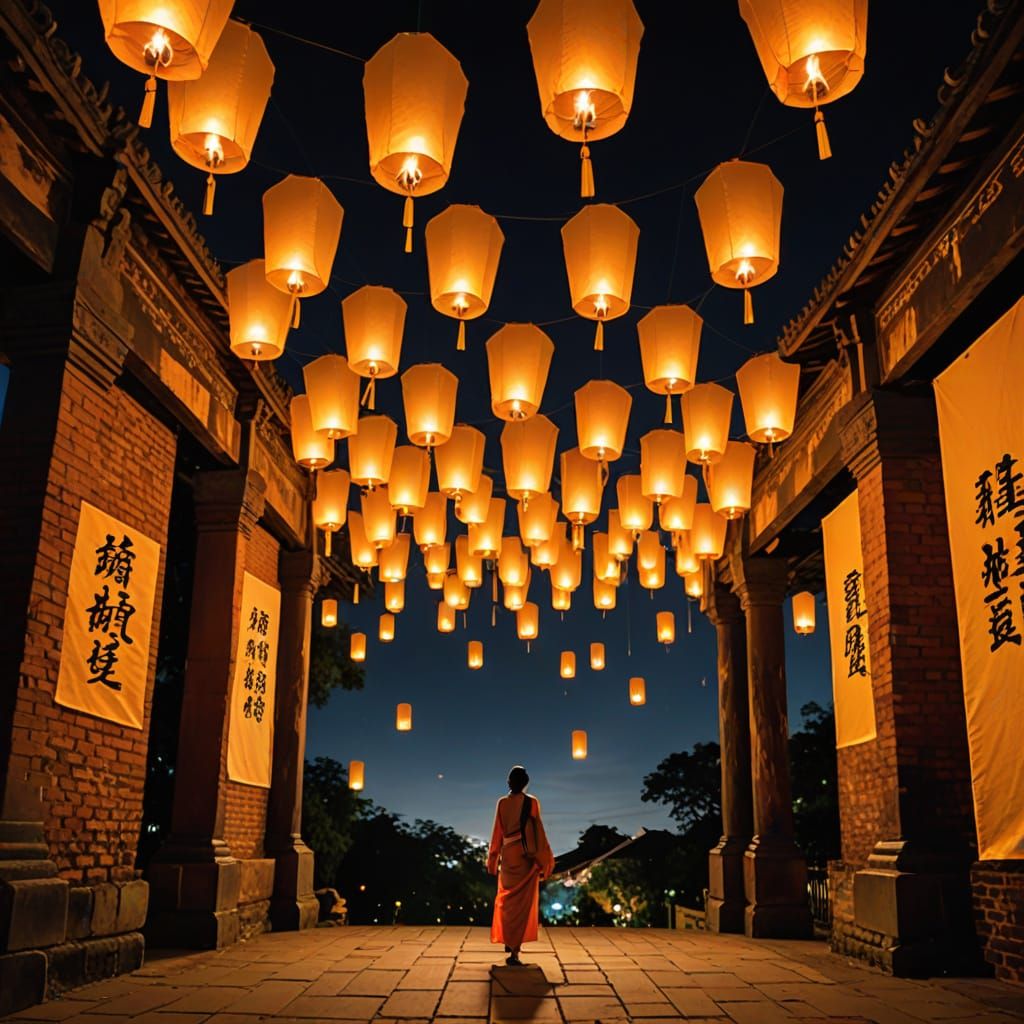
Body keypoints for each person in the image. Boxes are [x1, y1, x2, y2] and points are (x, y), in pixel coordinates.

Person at [486, 765, 555, 966]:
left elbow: (497, 833)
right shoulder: (531, 803)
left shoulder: (501, 804)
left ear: (509, 782)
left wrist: (493, 860)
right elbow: (538, 833)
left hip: (508, 858)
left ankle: (509, 940)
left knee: (506, 902)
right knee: (522, 906)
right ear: (526, 784)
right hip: (526, 858)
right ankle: (515, 950)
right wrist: (545, 860)